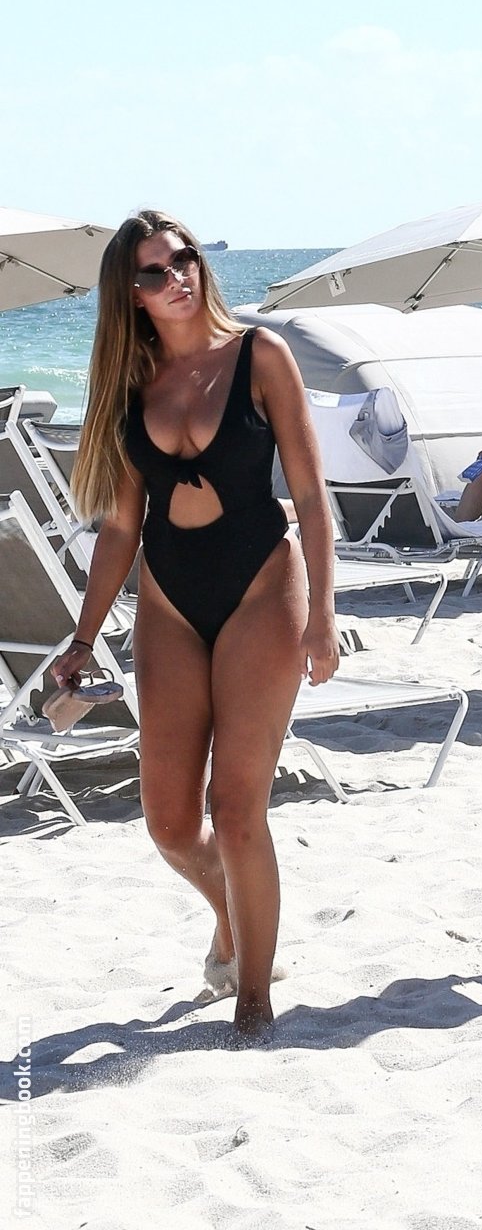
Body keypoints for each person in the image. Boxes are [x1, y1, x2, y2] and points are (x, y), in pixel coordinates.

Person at [51, 211, 339, 1041]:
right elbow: (120, 525)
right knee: (172, 824)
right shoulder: (129, 386)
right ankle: (232, 919)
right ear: (130, 295)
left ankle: (253, 1002)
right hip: (170, 599)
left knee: (238, 806)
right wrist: (82, 638)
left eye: (183, 259)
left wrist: (324, 613)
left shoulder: (260, 356)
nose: (177, 276)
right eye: (153, 271)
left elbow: (311, 496)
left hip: (262, 588)